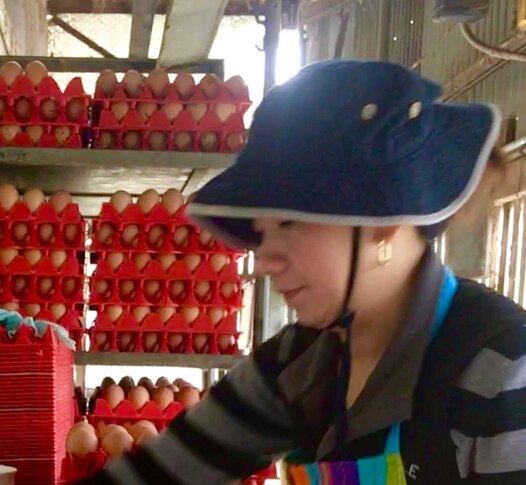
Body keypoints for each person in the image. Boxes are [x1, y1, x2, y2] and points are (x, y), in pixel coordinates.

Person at [80, 60, 526, 484]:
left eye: (290, 223)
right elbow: (163, 474)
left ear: (383, 222)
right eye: (261, 231)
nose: (265, 259)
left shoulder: (501, 371)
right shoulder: (301, 362)